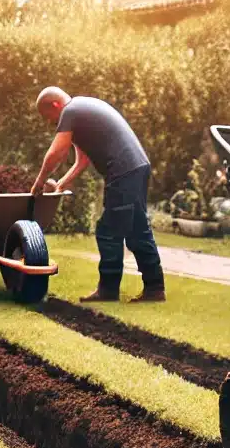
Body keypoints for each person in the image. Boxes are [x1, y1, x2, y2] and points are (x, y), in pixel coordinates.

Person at [31, 87, 164, 303]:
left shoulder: (70, 111)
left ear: (55, 105)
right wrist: (61, 183)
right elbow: (82, 160)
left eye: (49, 118)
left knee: (108, 230)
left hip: (123, 171)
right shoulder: (82, 109)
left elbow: (57, 152)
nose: (52, 123)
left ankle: (109, 291)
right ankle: (155, 288)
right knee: (137, 229)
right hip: (137, 167)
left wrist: (38, 182)